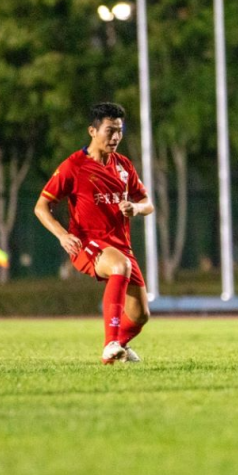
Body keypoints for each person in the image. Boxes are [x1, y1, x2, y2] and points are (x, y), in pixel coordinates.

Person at [34, 102, 154, 365]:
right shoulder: (73, 166)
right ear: (92, 131)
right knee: (119, 266)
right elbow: (41, 207)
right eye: (110, 131)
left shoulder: (123, 166)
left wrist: (136, 208)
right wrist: (62, 235)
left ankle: (118, 347)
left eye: (119, 131)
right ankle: (111, 343)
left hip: (121, 246)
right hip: (87, 244)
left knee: (140, 314)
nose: (115, 137)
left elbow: (148, 203)